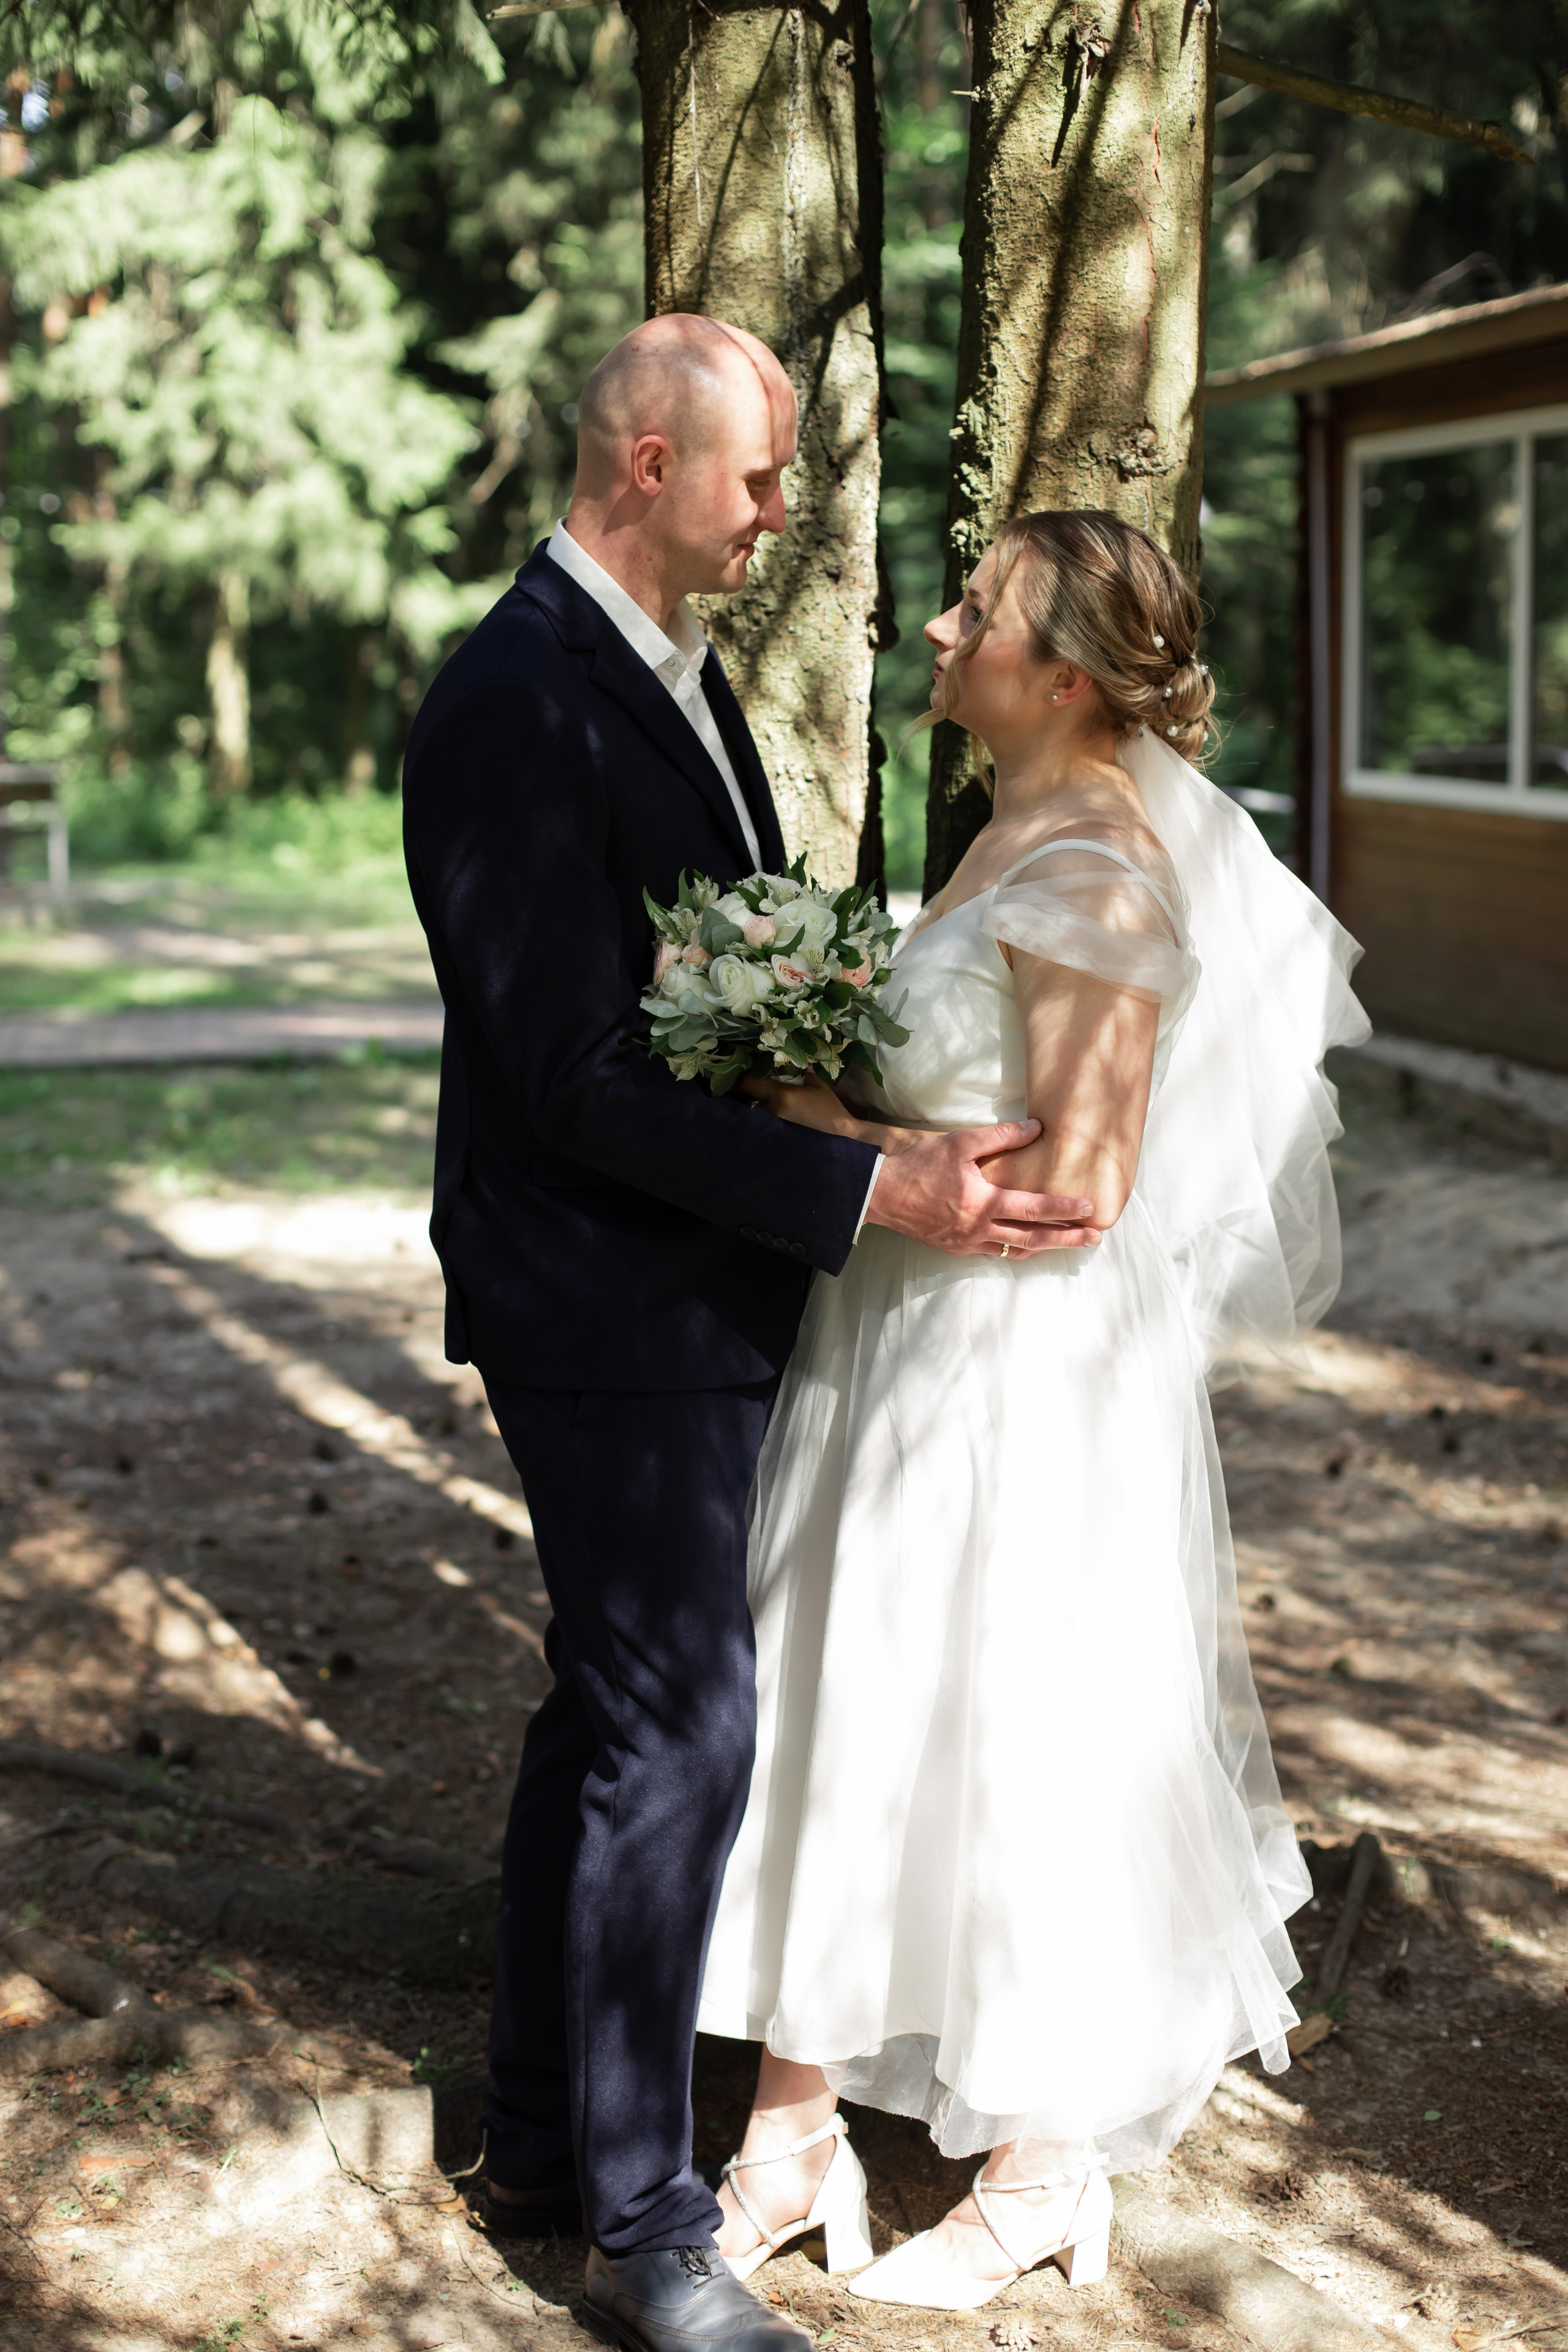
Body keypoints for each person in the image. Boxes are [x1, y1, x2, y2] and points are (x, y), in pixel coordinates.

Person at [401, 318, 1100, 2352]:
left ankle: (539, 2134)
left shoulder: (671, 681)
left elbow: (713, 996)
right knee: (683, 1720)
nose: (785, 516)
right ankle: (643, 2228)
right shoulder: (514, 701)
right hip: (595, 1294)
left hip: (697, 1282)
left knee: (604, 1710)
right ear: (645, 458)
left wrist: (849, 1128)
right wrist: (869, 1190)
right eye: (761, 477)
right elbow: (570, 1077)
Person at [697, 509, 1370, 2309]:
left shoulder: (1104, 872)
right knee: (838, 1704)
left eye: (975, 609)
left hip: (1010, 1379)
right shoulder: (1003, 828)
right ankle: (790, 2132)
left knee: (1004, 1732)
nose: (937, 626)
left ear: (1063, 671)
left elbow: (1084, 1187)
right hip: (896, 1347)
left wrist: (830, 1134)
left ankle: (1041, 2169)